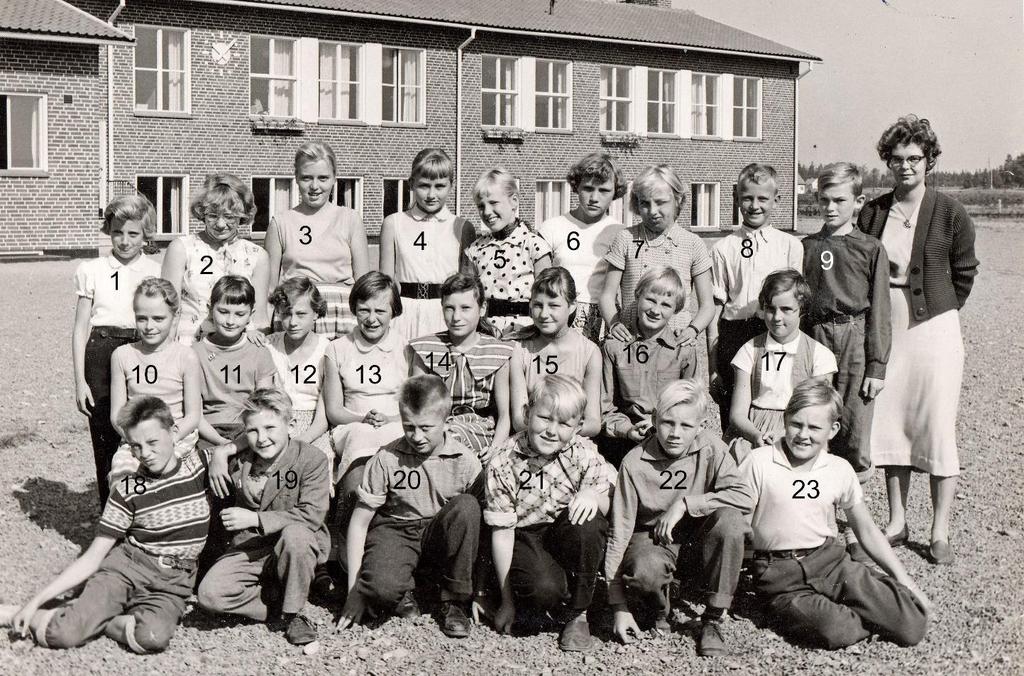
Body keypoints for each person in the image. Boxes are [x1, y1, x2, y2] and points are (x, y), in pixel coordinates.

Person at [858, 115, 979, 564]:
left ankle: (940, 530)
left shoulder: (950, 211)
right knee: (893, 422)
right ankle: (896, 521)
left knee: (936, 424)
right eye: (897, 159)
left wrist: (938, 309)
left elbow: (964, 272)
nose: (905, 166)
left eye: (914, 158)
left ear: (929, 161)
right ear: (887, 163)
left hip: (934, 332)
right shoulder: (873, 211)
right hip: (888, 329)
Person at [0, 397, 213, 653]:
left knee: (152, 638)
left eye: (153, 442)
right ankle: (22, 613)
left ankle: (93, 617)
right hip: (129, 569)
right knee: (63, 636)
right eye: (136, 446)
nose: (145, 453)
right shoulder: (129, 489)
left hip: (174, 582)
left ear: (174, 431)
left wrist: (225, 451)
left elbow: (245, 447)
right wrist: (35, 601)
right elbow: (94, 556)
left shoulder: (198, 465)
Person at [743, 380, 931, 649]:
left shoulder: (838, 468)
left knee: (912, 625)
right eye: (797, 424)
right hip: (780, 572)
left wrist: (907, 581)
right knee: (838, 631)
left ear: (832, 430)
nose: (803, 435)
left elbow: (865, 530)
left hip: (830, 561)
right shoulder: (759, 461)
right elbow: (737, 523)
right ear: (785, 419)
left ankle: (866, 598)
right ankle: (817, 609)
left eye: (814, 428)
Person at [606, 379, 751, 657]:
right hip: (655, 540)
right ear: (654, 419)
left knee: (730, 521)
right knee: (644, 570)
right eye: (667, 422)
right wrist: (618, 606)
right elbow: (619, 531)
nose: (675, 433)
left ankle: (713, 617)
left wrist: (687, 503)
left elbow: (744, 496)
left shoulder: (711, 447)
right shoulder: (634, 462)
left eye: (686, 426)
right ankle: (660, 608)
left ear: (700, 426)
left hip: (698, 540)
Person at [337, 375, 483, 638]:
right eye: (409, 427)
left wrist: (482, 591)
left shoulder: (466, 461)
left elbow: (474, 530)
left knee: (468, 507)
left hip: (437, 534)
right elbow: (359, 523)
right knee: (379, 589)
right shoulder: (387, 457)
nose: (416, 436)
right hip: (396, 528)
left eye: (426, 427)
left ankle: (454, 600)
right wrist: (355, 591)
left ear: (446, 422)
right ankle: (405, 589)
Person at [485, 375, 613, 652]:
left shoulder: (583, 453)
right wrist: (506, 602)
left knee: (590, 520)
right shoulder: (504, 460)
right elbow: (502, 532)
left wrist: (594, 494)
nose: (551, 431)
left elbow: (608, 499)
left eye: (564, 424)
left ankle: (578, 612)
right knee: (543, 590)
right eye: (544, 418)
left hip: (564, 533)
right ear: (526, 414)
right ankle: (535, 597)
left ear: (578, 426)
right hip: (524, 536)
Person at [198, 389, 330, 646]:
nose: (262, 438)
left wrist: (256, 520)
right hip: (253, 546)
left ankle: (293, 615)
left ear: (290, 425)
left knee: (296, 537)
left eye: (270, 428)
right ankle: (278, 600)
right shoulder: (242, 459)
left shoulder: (311, 459)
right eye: (253, 431)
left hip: (296, 544)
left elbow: (311, 515)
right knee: (209, 596)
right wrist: (219, 454)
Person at [801, 163, 891, 481]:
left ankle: (852, 515)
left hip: (855, 338)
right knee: (815, 419)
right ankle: (817, 508)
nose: (830, 207)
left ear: (858, 200)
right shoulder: (806, 247)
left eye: (839, 200)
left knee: (854, 426)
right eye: (824, 200)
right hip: (816, 336)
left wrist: (877, 367)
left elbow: (880, 310)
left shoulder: (870, 248)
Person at [72, 194, 162, 505]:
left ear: (145, 235)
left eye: (133, 234)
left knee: (141, 427)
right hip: (100, 350)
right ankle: (109, 512)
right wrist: (80, 381)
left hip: (140, 348)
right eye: (117, 233)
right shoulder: (92, 268)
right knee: (105, 434)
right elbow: (81, 327)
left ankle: (144, 509)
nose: (124, 241)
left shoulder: (155, 270)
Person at [708, 164, 802, 429]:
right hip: (734, 334)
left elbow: (796, 303)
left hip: (775, 333)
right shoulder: (723, 247)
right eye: (747, 198)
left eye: (762, 198)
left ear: (776, 200)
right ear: (736, 199)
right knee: (734, 414)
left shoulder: (790, 246)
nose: (754, 205)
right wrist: (712, 365)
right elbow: (716, 309)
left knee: (772, 408)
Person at [323, 272, 412, 541]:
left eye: (380, 310)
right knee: (362, 443)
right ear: (354, 310)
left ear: (393, 311)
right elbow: (334, 410)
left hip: (396, 422)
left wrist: (390, 417)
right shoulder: (337, 349)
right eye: (363, 310)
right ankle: (348, 537)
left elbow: (414, 404)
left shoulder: (407, 347)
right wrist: (362, 419)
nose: (371, 318)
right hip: (352, 425)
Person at [265, 141, 369, 339]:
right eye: (306, 178)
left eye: (323, 178)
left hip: (342, 314)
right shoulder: (280, 222)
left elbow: (363, 285)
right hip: (295, 313)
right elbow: (270, 288)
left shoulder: (350, 219)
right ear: (296, 178)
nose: (315, 186)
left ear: (334, 179)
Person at [601, 164, 714, 345]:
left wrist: (692, 330)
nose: (653, 211)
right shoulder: (625, 239)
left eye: (661, 202)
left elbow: (707, 305)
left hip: (675, 343)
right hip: (631, 341)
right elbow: (607, 295)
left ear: (678, 200)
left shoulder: (693, 244)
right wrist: (614, 324)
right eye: (645, 203)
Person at [108, 277, 203, 484]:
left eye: (158, 319)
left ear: (175, 316)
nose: (149, 326)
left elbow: (194, 415)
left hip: (176, 438)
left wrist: (169, 439)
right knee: (123, 479)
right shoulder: (122, 355)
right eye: (142, 318)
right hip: (136, 440)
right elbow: (116, 415)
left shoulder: (185, 356)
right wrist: (138, 440)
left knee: (170, 483)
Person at [409, 272, 514, 458]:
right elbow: (416, 405)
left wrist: (496, 449)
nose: (456, 317)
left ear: (482, 309)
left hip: (480, 428)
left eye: (465, 308)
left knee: (450, 438)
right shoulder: (427, 348)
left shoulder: (497, 351)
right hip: (435, 424)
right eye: (449, 308)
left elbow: (505, 415)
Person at [600, 266, 698, 464]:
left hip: (670, 437)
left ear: (676, 310)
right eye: (650, 300)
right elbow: (604, 407)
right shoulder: (614, 347)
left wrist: (661, 424)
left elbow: (693, 405)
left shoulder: (684, 351)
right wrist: (627, 430)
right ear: (638, 296)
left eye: (665, 305)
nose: (655, 310)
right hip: (624, 440)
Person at [729, 270, 837, 446]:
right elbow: (737, 414)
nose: (777, 317)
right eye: (771, 309)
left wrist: (785, 434)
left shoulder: (820, 355)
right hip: (754, 430)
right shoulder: (750, 350)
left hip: (801, 431)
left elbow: (818, 411)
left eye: (786, 309)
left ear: (801, 310)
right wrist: (757, 436)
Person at [162, 173, 269, 345]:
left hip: (237, 349)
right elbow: (167, 309)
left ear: (242, 216)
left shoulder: (257, 255)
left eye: (229, 216)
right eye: (213, 215)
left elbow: (260, 318)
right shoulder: (181, 248)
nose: (220, 224)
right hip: (188, 345)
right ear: (202, 213)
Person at [380, 148, 475, 341]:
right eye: (424, 186)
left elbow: (467, 287)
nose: (431, 194)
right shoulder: (394, 223)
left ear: (451, 185)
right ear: (411, 184)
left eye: (439, 186)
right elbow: (385, 283)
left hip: (444, 314)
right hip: (403, 315)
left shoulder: (462, 227)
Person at [538, 151, 627, 341]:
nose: (594, 197)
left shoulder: (620, 233)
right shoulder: (552, 227)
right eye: (588, 188)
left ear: (615, 192)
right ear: (576, 187)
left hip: (605, 318)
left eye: (603, 191)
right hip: (560, 314)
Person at [509, 267, 602, 437]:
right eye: (538, 305)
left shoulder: (589, 352)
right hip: (530, 439)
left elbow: (593, 422)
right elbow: (518, 419)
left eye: (553, 305)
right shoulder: (520, 349)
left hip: (574, 442)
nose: (544, 314)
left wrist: (561, 433)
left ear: (572, 305)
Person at [462, 167, 552, 333]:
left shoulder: (534, 245)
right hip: (484, 333)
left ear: (514, 201)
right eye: (481, 206)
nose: (487, 212)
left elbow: (547, 296)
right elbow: (466, 297)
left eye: (494, 203)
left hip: (525, 332)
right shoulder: (474, 250)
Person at [192, 276, 278, 448]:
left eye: (239, 314)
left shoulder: (259, 351)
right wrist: (222, 443)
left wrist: (242, 442)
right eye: (223, 312)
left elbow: (264, 406)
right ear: (210, 310)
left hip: (249, 430)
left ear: (250, 316)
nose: (230, 321)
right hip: (208, 431)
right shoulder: (195, 353)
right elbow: (195, 414)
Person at [265, 276, 332, 465]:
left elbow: (322, 418)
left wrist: (299, 441)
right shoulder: (268, 346)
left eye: (301, 314)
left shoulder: (327, 350)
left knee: (315, 460)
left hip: (313, 426)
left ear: (316, 313)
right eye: (287, 314)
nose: (293, 322)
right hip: (275, 421)